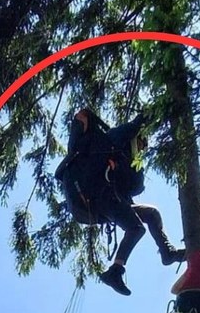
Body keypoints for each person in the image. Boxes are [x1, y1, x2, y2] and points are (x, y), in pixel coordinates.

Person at [60, 109, 185, 296]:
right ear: (136, 138)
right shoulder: (111, 140)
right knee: (136, 228)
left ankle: (167, 253)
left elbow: (135, 187)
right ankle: (115, 271)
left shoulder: (127, 160)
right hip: (93, 195)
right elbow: (134, 125)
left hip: (100, 203)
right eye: (142, 143)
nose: (142, 148)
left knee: (151, 214)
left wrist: (122, 167)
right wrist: (155, 111)